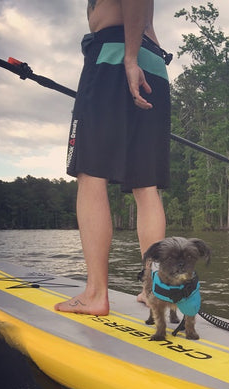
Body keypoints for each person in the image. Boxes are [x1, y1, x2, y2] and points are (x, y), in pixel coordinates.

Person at [55, 0, 171, 315]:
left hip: (115, 58)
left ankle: (95, 294)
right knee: (146, 185)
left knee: (90, 175)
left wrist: (129, 58)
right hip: (153, 62)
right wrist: (136, 56)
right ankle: (154, 290)